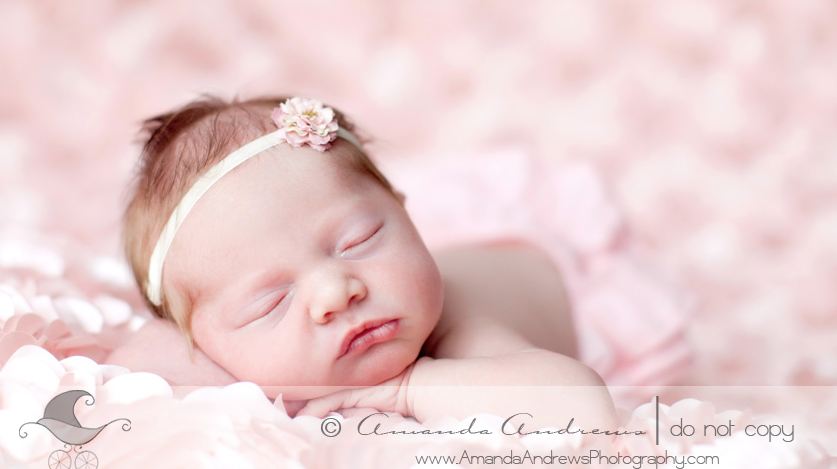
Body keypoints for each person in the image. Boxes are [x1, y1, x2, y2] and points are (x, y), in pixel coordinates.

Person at [107, 95, 617, 429]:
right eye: (270, 303)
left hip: (558, 274)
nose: (335, 292)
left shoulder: (460, 331)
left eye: (359, 240)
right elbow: (137, 370)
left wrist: (407, 388)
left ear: (402, 210)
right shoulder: (214, 338)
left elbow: (585, 412)